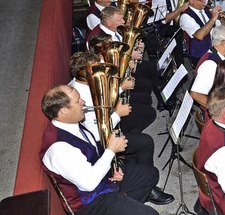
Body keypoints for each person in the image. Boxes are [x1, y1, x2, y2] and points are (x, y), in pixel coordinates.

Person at [67, 53, 174, 204]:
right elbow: (95, 134)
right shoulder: (82, 95)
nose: (103, 70)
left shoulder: (82, 84)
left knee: (144, 116)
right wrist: (117, 113)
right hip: (100, 141)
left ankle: (132, 165)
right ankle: (147, 187)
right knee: (145, 142)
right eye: (99, 68)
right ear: (86, 73)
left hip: (109, 125)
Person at [40, 85, 161, 215]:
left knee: (150, 174)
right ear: (64, 111)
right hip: (91, 203)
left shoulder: (71, 123)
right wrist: (111, 151)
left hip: (102, 182)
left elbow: (92, 154)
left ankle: (124, 203)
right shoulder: (59, 149)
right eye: (78, 101)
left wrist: (111, 171)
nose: (83, 102)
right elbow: (88, 184)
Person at [190, 25, 225, 108]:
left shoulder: (220, 55)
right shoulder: (210, 65)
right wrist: (220, 111)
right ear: (224, 43)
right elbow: (195, 94)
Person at [180, 0, 222, 64]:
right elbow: (200, 35)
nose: (204, 1)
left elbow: (220, 26)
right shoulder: (185, 16)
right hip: (200, 55)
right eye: (200, 0)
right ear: (191, 1)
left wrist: (223, 19)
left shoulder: (206, 10)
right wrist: (212, 19)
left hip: (215, 49)